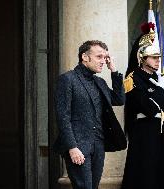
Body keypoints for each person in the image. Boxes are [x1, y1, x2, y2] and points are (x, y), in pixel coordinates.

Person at [53, 40, 127, 189]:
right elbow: (63, 117)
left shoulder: (100, 82)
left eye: (105, 58)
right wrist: (72, 147)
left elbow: (119, 99)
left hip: (98, 146)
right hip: (78, 147)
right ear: (85, 57)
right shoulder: (68, 79)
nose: (103, 61)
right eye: (99, 57)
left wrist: (113, 71)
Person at [121, 25, 164, 189]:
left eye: (158, 57)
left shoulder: (159, 80)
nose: (157, 60)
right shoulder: (133, 79)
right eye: (153, 57)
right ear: (142, 58)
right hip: (146, 133)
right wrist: (160, 90)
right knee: (146, 177)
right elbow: (149, 107)